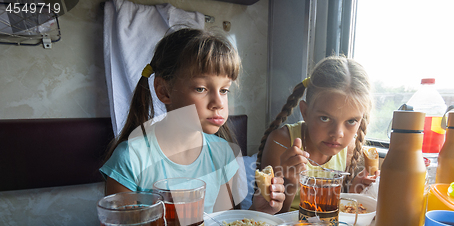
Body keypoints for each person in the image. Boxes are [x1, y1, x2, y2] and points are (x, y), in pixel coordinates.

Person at [100, 28, 284, 214]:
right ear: (164, 91)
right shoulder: (130, 160)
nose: (218, 103)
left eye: (224, 90)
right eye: (201, 89)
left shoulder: (223, 156)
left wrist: (260, 211)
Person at [256, 55, 378, 213]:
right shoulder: (282, 142)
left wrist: (354, 193)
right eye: (325, 118)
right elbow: (270, 215)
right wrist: (290, 183)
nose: (337, 133)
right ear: (305, 112)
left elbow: (330, 211)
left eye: (351, 121)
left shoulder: (349, 149)